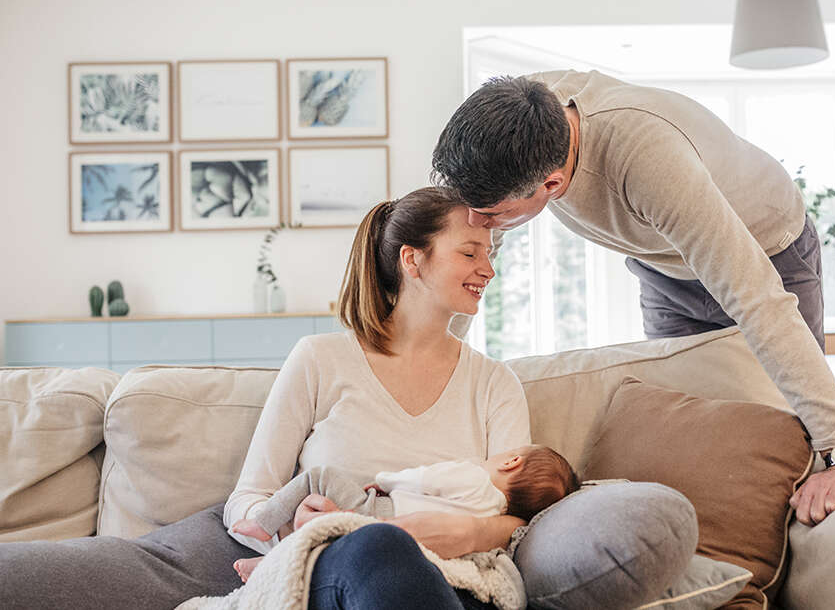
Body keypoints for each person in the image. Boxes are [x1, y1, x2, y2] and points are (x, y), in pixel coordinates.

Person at [0, 186, 529, 610]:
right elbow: (249, 500)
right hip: (325, 563)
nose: (489, 268)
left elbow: (526, 514)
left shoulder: (494, 384)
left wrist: (467, 530)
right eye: (470, 252)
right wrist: (300, 527)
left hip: (452, 579)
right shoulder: (320, 359)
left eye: (490, 253)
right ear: (412, 261)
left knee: (388, 551)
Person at [432, 70, 835, 526]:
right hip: (665, 266)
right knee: (682, 422)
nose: (475, 221)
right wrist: (431, 362)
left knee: (784, 427)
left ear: (551, 185)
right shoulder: (513, 117)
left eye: (490, 215)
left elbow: (756, 297)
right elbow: (468, 259)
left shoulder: (647, 158)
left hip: (767, 252)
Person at [230, 445, 579, 582]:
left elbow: (424, 478)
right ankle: (269, 565)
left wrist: (383, 481)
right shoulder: (493, 512)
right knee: (328, 543)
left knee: (318, 476)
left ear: (511, 460)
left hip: (382, 509)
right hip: (404, 544)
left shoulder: (474, 476)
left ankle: (262, 525)